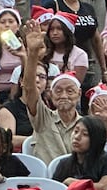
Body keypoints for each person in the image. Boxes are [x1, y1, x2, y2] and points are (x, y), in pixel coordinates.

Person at [21, 25, 82, 163]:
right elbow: (30, 88)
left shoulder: (85, 125)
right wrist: (32, 54)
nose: (64, 95)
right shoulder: (43, 118)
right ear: (51, 94)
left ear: (79, 94)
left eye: (70, 91)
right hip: (48, 181)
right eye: (58, 91)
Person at [52, 115, 107, 190]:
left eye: (85, 134)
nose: (77, 137)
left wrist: (72, 182)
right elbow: (54, 189)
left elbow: (103, 186)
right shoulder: (64, 163)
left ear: (97, 139)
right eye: (76, 131)